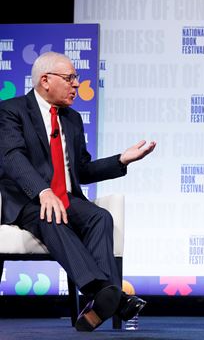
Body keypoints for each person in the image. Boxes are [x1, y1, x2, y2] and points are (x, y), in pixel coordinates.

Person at [0, 51, 156, 331]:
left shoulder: (71, 119)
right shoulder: (11, 110)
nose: (76, 85)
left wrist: (120, 160)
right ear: (45, 81)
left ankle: (99, 304)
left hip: (66, 198)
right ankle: (106, 293)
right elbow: (12, 157)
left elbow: (81, 170)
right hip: (28, 200)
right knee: (51, 215)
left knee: (100, 217)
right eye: (70, 78)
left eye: (76, 78)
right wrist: (42, 191)